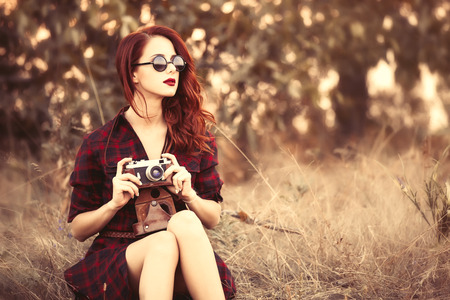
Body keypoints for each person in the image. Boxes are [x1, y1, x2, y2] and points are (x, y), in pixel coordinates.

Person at [64, 25, 236, 300]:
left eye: (176, 62)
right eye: (158, 63)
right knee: (162, 244)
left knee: (186, 222)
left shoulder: (196, 136)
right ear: (133, 73)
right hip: (123, 258)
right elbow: (77, 229)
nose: (171, 70)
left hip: (182, 255)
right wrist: (114, 203)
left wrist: (189, 195)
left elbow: (212, 218)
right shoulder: (99, 142)